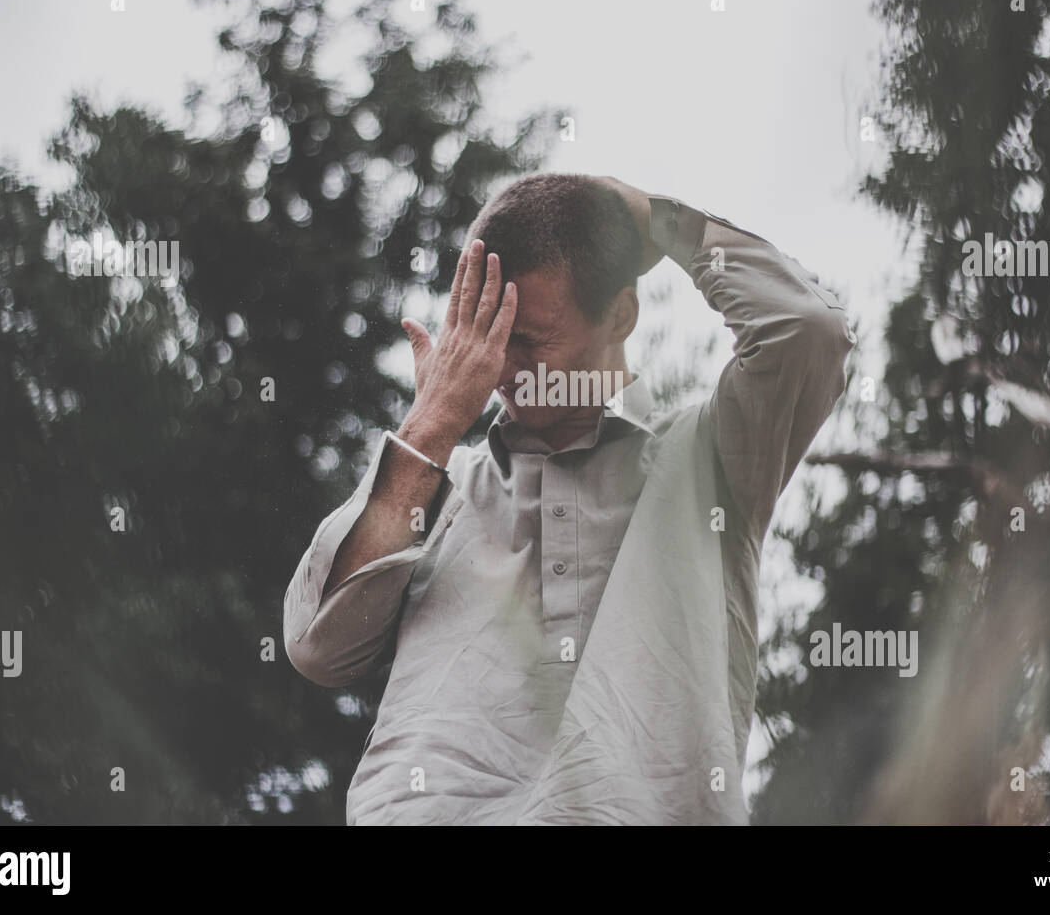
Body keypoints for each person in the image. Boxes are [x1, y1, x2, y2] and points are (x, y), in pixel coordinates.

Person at [283, 173, 855, 824]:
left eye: (525, 341)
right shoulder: (433, 484)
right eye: (484, 334)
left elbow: (810, 331)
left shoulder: (712, 462)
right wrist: (433, 425)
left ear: (620, 314)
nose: (497, 369)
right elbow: (317, 646)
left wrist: (659, 219)